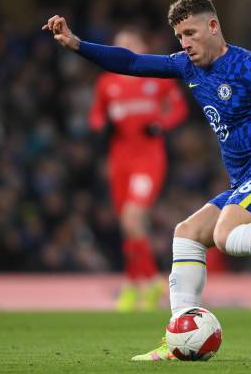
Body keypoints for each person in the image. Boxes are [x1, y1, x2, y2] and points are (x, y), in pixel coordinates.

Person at [43, 0, 251, 361]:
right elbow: (133, 62)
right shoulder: (187, 67)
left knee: (226, 233)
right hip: (249, 180)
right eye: (179, 37)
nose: (184, 44)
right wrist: (76, 44)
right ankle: (178, 340)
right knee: (187, 234)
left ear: (213, 26)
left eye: (190, 33)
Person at [89, 26, 188, 311]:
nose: (125, 49)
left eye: (130, 43)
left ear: (142, 48)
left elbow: (179, 109)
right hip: (119, 160)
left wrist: (161, 124)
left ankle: (151, 281)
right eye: (119, 45)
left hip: (148, 158)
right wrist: (99, 126)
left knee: (133, 219)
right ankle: (133, 284)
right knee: (127, 225)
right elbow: (96, 114)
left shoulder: (157, 79)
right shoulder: (107, 83)